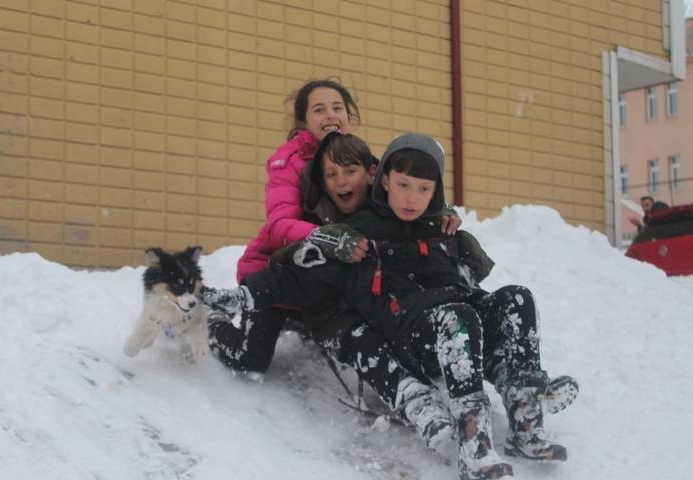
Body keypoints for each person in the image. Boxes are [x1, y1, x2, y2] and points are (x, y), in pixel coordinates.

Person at [203, 132, 578, 480]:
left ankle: (526, 417)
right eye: (403, 186)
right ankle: (474, 447)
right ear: (384, 181)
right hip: (411, 336)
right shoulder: (358, 234)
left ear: (436, 191)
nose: (412, 198)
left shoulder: (439, 228)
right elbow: (298, 275)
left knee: (516, 298)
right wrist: (245, 296)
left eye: (423, 189)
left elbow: (466, 282)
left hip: (458, 324)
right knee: (458, 317)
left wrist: (466, 249)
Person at [207, 79, 461, 453]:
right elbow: (279, 225)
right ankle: (215, 325)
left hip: (336, 272)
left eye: (337, 107)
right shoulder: (288, 162)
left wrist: (440, 212)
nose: (330, 115)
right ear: (302, 120)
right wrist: (327, 237)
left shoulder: (363, 159)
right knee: (251, 361)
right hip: (281, 269)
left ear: (349, 115)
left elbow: (404, 191)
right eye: (319, 109)